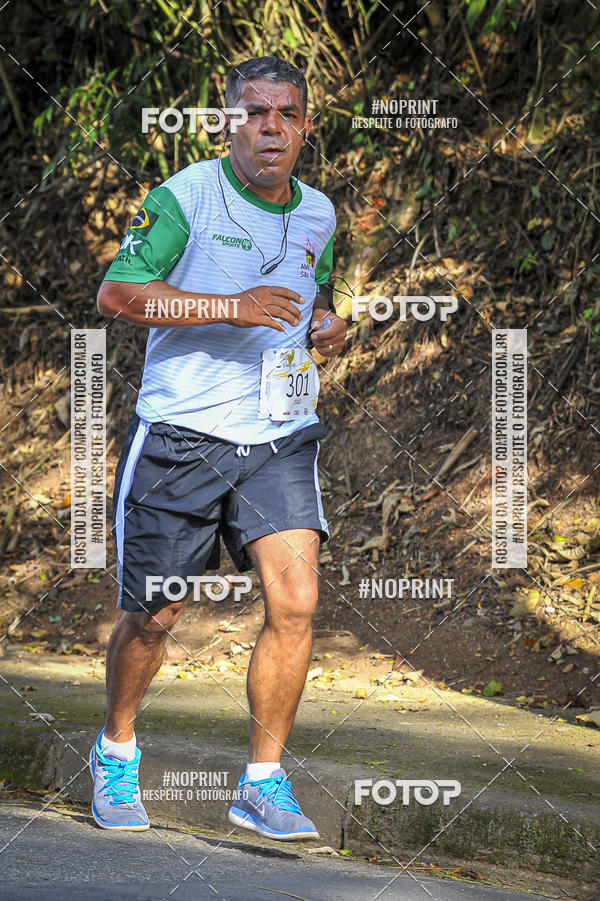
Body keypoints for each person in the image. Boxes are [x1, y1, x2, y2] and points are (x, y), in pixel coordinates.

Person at [89, 55, 347, 841]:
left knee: (296, 601)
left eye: (288, 114)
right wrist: (228, 306)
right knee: (157, 614)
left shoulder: (319, 214)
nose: (272, 127)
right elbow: (118, 292)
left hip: (277, 435)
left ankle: (261, 783)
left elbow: (319, 297)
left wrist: (332, 325)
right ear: (228, 119)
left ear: (305, 126)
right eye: (255, 112)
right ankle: (116, 749)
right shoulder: (184, 198)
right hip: (182, 435)